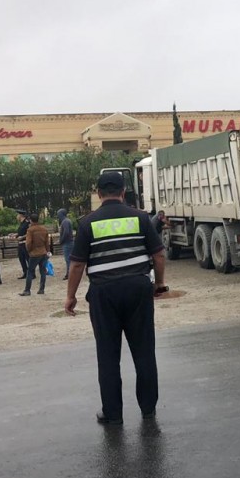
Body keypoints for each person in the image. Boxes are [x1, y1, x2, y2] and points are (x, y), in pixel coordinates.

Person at [65, 171, 167, 425]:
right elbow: (159, 255)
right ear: (123, 192)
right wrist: (160, 284)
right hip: (137, 289)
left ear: (99, 194)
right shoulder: (141, 218)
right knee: (144, 351)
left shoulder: (88, 223)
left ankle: (113, 413)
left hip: (103, 293)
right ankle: (148, 409)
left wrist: (71, 297)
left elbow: (77, 265)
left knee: (108, 355)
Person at [21, 213, 50, 296]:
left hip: (34, 253)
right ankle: (41, 289)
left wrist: (29, 250)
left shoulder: (30, 230)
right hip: (43, 252)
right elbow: (47, 242)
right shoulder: (44, 229)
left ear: (30, 220)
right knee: (43, 271)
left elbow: (28, 243)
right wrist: (47, 251)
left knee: (30, 271)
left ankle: (27, 290)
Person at [56, 208, 74, 280]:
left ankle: (69, 274)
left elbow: (66, 232)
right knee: (69, 259)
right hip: (69, 242)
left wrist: (61, 241)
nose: (58, 216)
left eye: (58, 215)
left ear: (62, 214)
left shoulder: (65, 222)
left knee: (68, 259)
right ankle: (69, 273)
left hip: (67, 243)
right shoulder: (67, 221)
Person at [14, 209, 30, 280]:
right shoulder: (21, 224)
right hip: (20, 244)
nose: (16, 216)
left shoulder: (27, 223)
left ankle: (31, 273)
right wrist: (15, 235)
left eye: (17, 215)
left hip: (25, 243)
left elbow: (29, 233)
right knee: (21, 258)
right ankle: (25, 272)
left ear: (21, 215)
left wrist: (22, 237)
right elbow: (21, 232)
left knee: (28, 258)